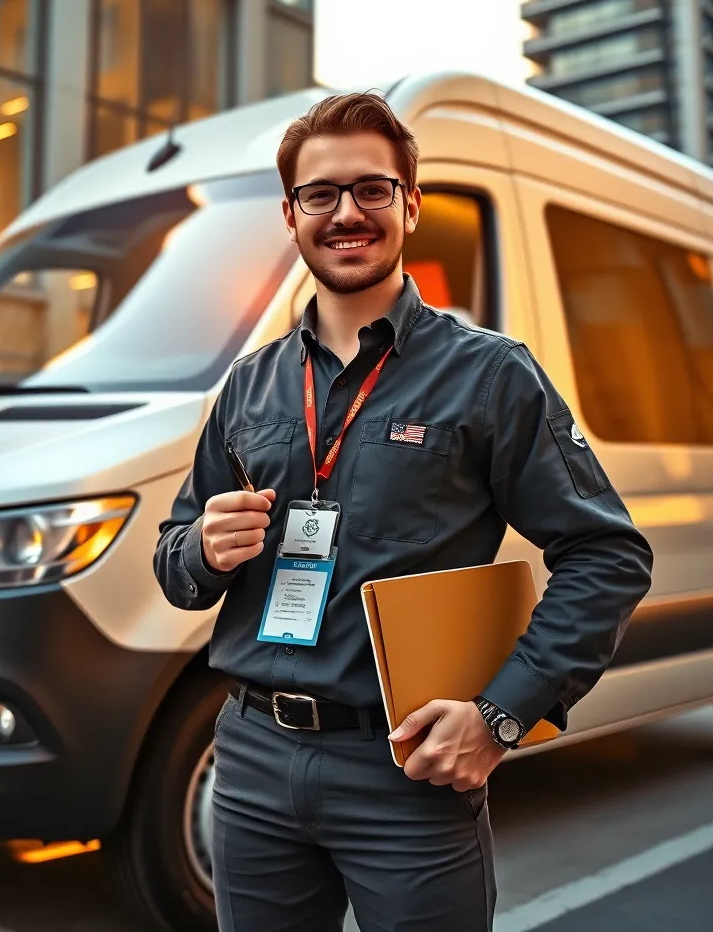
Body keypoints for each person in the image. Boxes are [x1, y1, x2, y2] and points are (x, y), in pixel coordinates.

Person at [154, 92, 654, 931]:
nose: (346, 213)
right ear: (291, 214)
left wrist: (499, 717)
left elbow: (608, 556)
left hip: (407, 770)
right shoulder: (248, 385)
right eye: (321, 194)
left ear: (411, 204)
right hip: (248, 762)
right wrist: (202, 548)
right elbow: (175, 565)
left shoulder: (489, 375)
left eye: (372, 190)